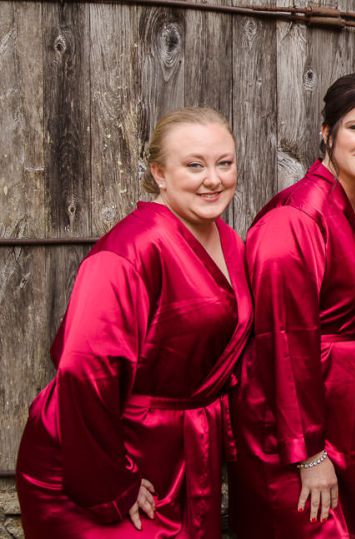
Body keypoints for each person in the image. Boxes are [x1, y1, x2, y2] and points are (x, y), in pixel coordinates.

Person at [15, 107, 252, 537]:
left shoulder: (231, 242)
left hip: (178, 454)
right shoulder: (128, 251)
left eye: (225, 163)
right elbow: (84, 370)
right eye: (194, 165)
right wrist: (111, 485)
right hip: (105, 459)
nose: (214, 178)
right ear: (159, 173)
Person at [229, 73, 355, 537]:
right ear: (327, 133)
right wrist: (308, 452)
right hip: (297, 418)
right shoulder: (296, 218)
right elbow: (282, 339)